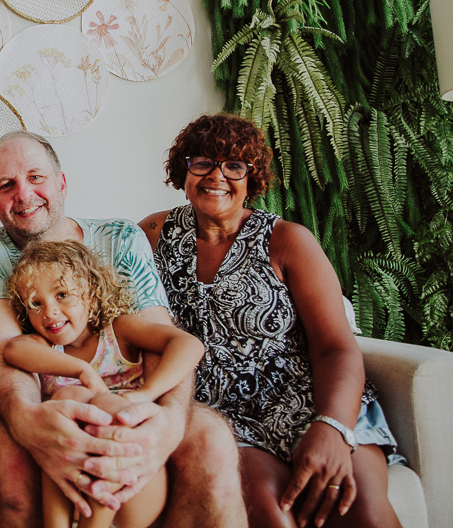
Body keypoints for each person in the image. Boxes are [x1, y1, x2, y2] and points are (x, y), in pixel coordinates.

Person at [0, 130, 247, 528]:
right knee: (12, 445)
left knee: (211, 439)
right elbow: (4, 349)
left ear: (61, 183)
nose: (23, 194)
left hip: (131, 393)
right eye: (6, 185)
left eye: (36, 177)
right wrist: (27, 420)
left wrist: (166, 418)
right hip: (50, 398)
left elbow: (163, 340)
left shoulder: (120, 237)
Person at [139, 113, 402, 528]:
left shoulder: (288, 241)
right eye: (202, 162)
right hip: (225, 415)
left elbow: (336, 347)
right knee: (269, 512)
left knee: (361, 510)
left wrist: (331, 428)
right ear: (183, 169)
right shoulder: (153, 235)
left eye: (234, 165)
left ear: (252, 177)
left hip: (313, 401)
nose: (217, 176)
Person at [4, 240, 205, 528]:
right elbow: (13, 349)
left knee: (98, 403)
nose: (49, 311)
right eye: (36, 303)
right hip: (73, 485)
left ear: (91, 292)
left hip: (131, 487)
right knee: (70, 396)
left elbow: (188, 344)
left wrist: (144, 396)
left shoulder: (119, 331)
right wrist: (82, 370)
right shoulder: (45, 347)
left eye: (62, 294)